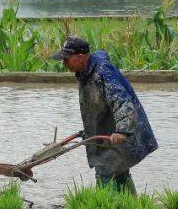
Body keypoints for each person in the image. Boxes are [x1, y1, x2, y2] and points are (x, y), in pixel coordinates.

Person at [51, 35, 158, 194]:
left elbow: (122, 101)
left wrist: (122, 130)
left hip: (121, 132)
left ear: (80, 57)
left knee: (105, 170)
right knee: (119, 171)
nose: (64, 63)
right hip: (106, 133)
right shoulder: (85, 73)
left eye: (67, 59)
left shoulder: (102, 71)